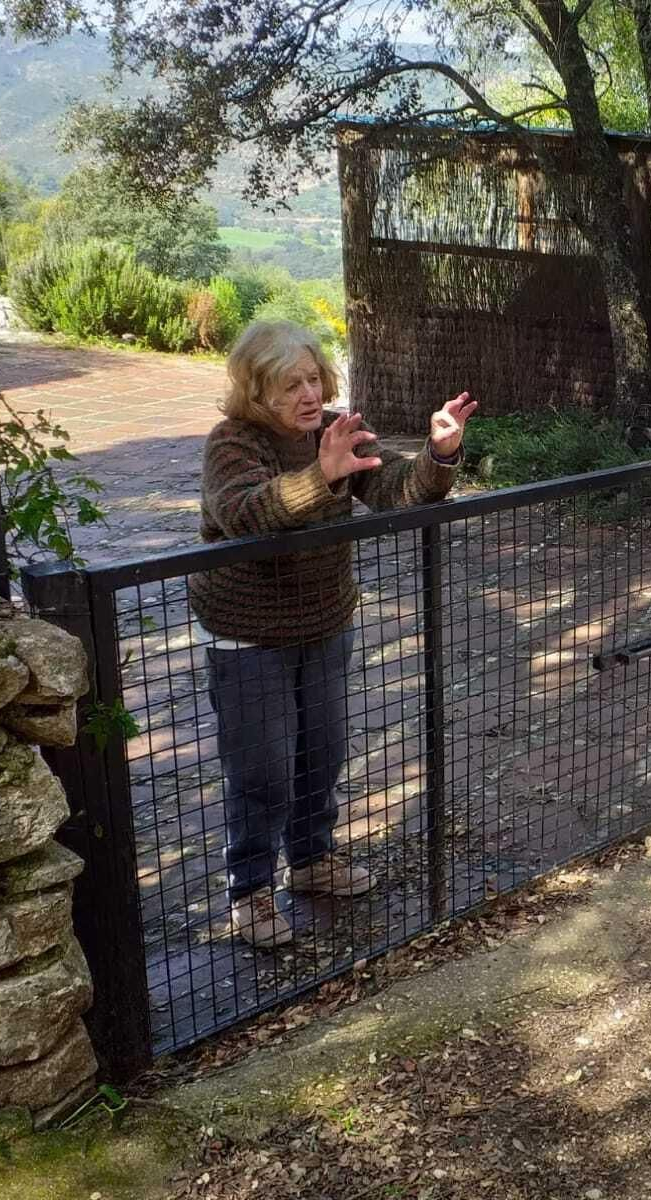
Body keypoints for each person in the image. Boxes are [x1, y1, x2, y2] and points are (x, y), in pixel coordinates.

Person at [190, 320, 476, 949]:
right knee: (262, 770)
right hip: (249, 635)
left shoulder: (336, 431)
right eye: (290, 384)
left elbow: (399, 489)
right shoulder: (232, 443)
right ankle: (251, 891)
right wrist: (320, 476)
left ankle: (313, 861)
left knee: (321, 752)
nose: (309, 393)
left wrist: (440, 453)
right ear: (257, 391)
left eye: (313, 377)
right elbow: (245, 513)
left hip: (324, 622)